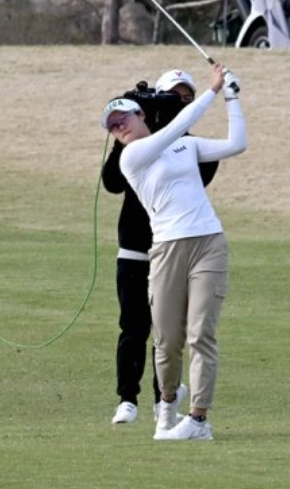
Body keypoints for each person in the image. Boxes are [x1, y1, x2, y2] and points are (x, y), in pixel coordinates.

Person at [99, 64, 246, 440]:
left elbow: (236, 144)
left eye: (123, 119)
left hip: (208, 241)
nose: (120, 128)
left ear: (140, 115)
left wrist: (232, 98)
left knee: (201, 335)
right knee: (166, 340)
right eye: (113, 126)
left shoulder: (184, 143)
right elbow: (177, 128)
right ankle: (166, 403)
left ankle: (198, 420)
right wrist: (212, 91)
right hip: (165, 248)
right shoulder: (130, 157)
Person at [101, 70, 202, 425]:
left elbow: (203, 176)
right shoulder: (134, 144)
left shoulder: (189, 143)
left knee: (167, 329)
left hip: (171, 247)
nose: (179, 103)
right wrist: (122, 128)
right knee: (133, 325)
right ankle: (127, 399)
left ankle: (165, 400)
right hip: (133, 246)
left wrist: (176, 130)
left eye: (185, 98)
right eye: (171, 96)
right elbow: (112, 182)